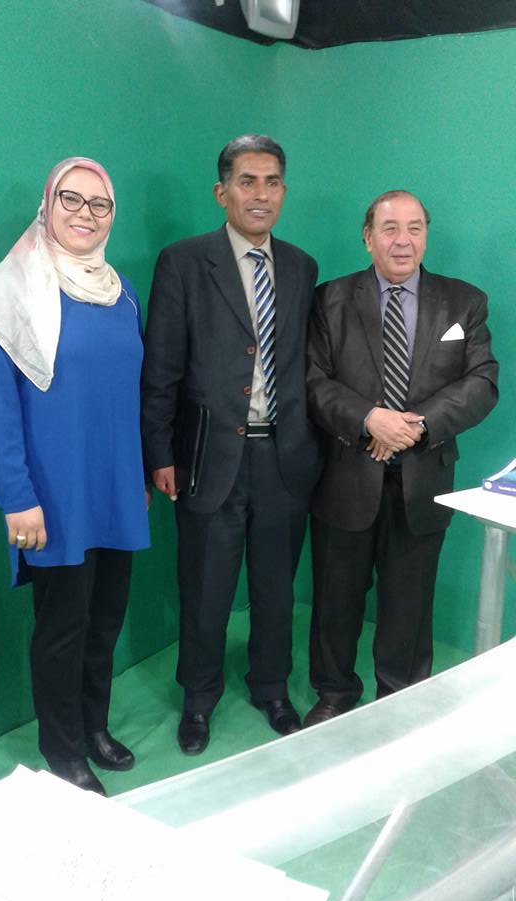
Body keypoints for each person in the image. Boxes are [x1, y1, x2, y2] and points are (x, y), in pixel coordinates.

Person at [142, 134, 322, 754]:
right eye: (248, 181)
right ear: (222, 192)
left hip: (284, 458)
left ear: (284, 192)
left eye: (272, 182)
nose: (260, 194)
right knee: (206, 590)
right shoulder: (184, 262)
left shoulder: (301, 267)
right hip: (207, 458)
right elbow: (161, 369)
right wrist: (160, 454)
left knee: (275, 589)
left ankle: (272, 687)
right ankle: (198, 698)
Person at [305, 189, 498, 726]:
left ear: (426, 236)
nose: (403, 240)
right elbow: (312, 380)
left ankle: (400, 704)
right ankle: (334, 694)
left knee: (409, 602)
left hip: (423, 478)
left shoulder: (464, 302)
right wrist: (370, 418)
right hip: (345, 475)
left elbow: (482, 382)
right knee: (336, 598)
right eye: (390, 228)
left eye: (415, 228)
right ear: (367, 237)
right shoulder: (329, 300)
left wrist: (413, 426)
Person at [0, 157, 150, 794]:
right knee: (62, 629)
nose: (86, 214)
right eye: (71, 200)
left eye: (99, 203)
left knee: (104, 621)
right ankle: (63, 751)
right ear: (48, 204)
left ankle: (93, 727)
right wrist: (17, 497)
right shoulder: (8, 291)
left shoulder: (121, 291)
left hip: (115, 489)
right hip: (52, 498)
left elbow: (130, 393)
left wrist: (138, 475)